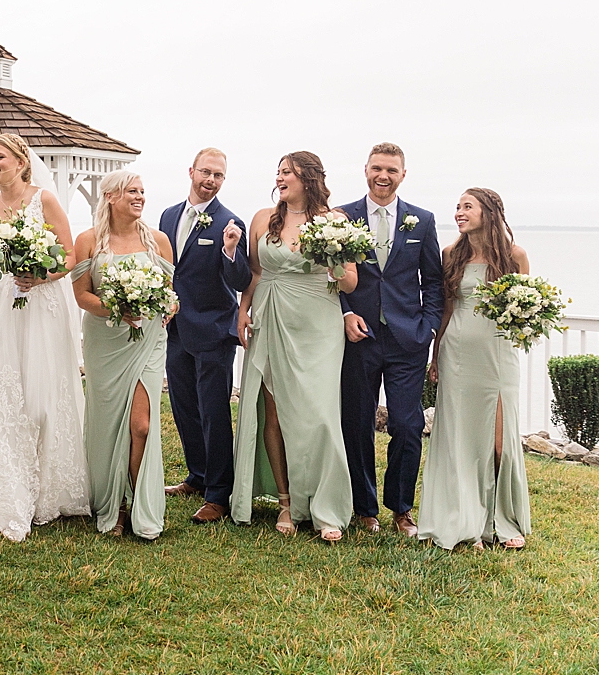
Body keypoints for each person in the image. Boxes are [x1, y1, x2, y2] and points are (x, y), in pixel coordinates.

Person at [0, 133, 90, 540]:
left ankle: (50, 490)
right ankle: (6, 487)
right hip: (2, 303)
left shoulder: (45, 201)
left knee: (41, 394)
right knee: (4, 391)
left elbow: (70, 257)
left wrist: (39, 276)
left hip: (41, 303)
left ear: (22, 162)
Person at [232, 152, 356, 542]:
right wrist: (243, 311)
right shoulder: (262, 218)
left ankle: (325, 506)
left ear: (308, 177)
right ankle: (286, 501)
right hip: (270, 315)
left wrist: (333, 257)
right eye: (279, 172)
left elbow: (350, 282)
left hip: (317, 321)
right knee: (275, 411)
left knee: (319, 413)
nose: (280, 177)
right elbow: (255, 271)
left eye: (288, 172)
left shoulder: (334, 222)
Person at [337, 143, 444, 536]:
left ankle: (401, 508)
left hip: (407, 339)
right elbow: (329, 274)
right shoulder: (342, 216)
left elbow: (433, 281)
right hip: (357, 337)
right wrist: (345, 313)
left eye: (392, 170)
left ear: (403, 174)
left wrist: (428, 325)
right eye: (377, 168)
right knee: (357, 422)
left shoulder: (423, 220)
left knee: (408, 424)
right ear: (365, 169)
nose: (383, 176)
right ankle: (364, 508)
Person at [418, 188, 532, 550]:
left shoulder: (515, 256)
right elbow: (447, 308)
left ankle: (501, 520)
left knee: (499, 443)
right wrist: (436, 356)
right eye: (457, 207)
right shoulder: (452, 254)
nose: (459, 213)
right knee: (460, 439)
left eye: (467, 207)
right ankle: (465, 520)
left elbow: (525, 307)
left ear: (489, 212)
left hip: (498, 357)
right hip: (458, 354)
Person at [73, 170, 174, 540]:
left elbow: (169, 294)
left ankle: (137, 502)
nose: (140, 197)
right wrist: (117, 311)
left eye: (143, 192)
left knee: (141, 425)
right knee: (107, 422)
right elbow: (82, 295)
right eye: (133, 191)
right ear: (111, 196)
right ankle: (112, 504)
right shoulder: (88, 241)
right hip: (104, 340)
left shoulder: (158, 241)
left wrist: (167, 307)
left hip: (147, 341)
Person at [157, 149, 250, 524]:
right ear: (191, 171)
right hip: (174, 328)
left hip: (213, 330)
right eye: (206, 172)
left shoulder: (230, 222)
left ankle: (218, 493)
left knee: (213, 412)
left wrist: (230, 250)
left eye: (219, 176)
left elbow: (241, 281)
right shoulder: (167, 215)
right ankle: (196, 475)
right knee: (183, 406)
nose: (211, 180)